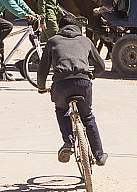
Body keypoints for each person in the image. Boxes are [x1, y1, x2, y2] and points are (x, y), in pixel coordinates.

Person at [37, 14, 108, 166]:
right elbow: (101, 66)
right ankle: (99, 155)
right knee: (87, 117)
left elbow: (42, 69)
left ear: (60, 27)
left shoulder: (53, 41)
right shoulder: (86, 41)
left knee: (61, 110)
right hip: (83, 83)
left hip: (61, 85)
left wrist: (41, 87)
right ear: (77, 27)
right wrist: (91, 76)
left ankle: (68, 142)